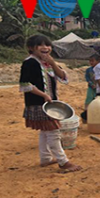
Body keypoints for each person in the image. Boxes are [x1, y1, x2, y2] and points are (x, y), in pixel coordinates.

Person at [19, 35, 82, 172]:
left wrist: (53, 63)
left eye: (48, 45)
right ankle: (63, 162)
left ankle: (45, 158)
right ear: (31, 48)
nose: (45, 47)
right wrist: (44, 95)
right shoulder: (30, 62)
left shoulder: (47, 63)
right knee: (53, 132)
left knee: (45, 131)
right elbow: (24, 84)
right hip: (38, 103)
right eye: (40, 45)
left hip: (49, 103)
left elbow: (63, 77)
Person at [80, 54, 100, 122]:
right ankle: (85, 115)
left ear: (98, 61)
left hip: (99, 89)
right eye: (90, 61)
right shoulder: (89, 70)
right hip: (91, 88)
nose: (91, 62)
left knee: (98, 101)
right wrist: (91, 84)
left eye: (92, 61)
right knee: (89, 100)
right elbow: (87, 78)